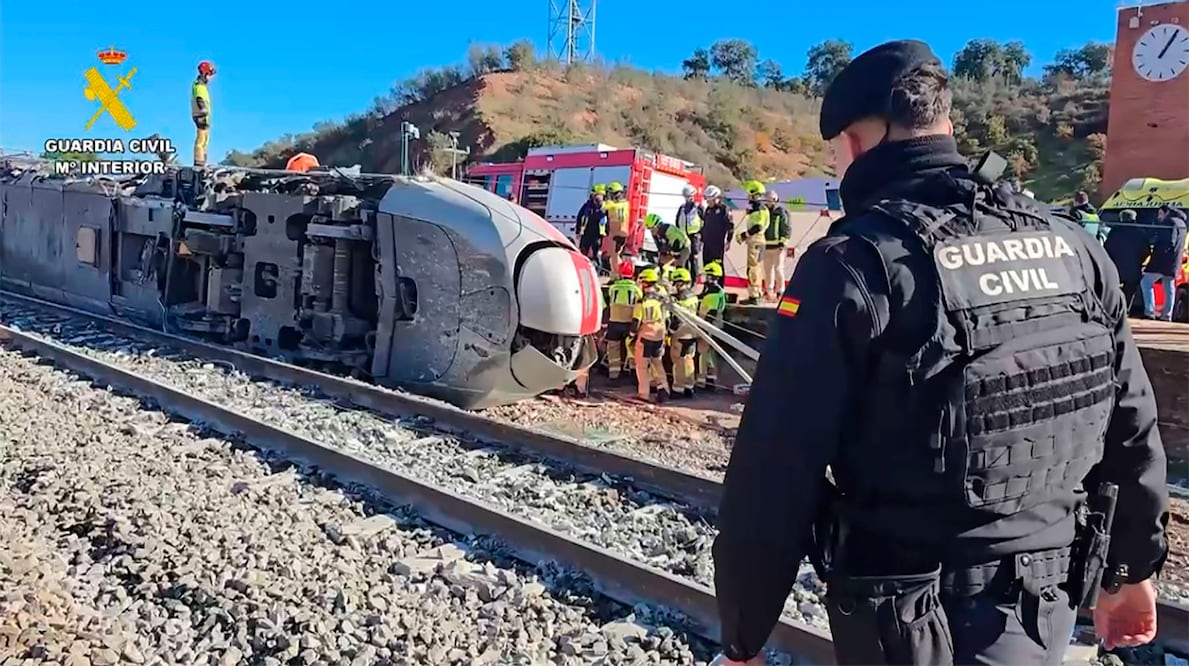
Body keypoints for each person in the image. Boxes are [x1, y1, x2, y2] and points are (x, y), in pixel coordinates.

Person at [712, 40, 1169, 666]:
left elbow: (774, 471)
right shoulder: (1073, 248)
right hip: (1049, 603)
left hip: (909, 618)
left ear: (856, 141)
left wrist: (742, 634)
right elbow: (1132, 424)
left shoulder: (852, 264)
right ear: (942, 123)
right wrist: (1129, 570)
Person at [1141, 204, 1188, 321]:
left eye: (1160, 213)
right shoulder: (1182, 224)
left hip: (1162, 262)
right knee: (1169, 288)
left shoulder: (1169, 222)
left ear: (1166, 212)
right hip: (1174, 262)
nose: (1158, 216)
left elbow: (1167, 242)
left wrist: (1153, 259)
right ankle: (1167, 315)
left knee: (1145, 282)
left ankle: (1149, 312)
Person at [631, 267, 670, 403]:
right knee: (657, 363)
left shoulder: (642, 302)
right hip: (659, 335)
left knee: (642, 366)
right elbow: (668, 319)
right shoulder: (662, 301)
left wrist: (631, 335)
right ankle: (664, 390)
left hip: (645, 336)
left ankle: (643, 394)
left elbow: (636, 322)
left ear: (645, 283)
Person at [1103, 209, 1152, 315]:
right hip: (1134, 268)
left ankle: (1112, 310)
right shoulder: (1141, 232)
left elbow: (1106, 248)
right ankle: (1125, 311)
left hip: (1116, 267)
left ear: (1122, 218)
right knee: (1129, 291)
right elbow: (1147, 250)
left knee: (1113, 289)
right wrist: (1139, 260)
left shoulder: (1115, 231)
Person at [734, 181, 770, 305]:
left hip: (756, 241)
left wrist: (744, 235)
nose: (747, 197)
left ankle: (754, 296)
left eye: (749, 194)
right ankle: (756, 294)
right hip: (757, 241)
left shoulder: (759, 209)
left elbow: (758, 227)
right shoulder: (758, 209)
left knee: (753, 269)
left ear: (754, 194)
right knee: (756, 268)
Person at [605, 260, 642, 381]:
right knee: (631, 348)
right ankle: (633, 374)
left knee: (613, 348)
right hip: (628, 323)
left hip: (614, 322)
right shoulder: (636, 290)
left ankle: (613, 374)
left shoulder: (613, 288)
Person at [667, 267, 699, 398]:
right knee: (688, 360)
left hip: (680, 334)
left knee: (678, 362)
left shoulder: (680, 300)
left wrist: (670, 331)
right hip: (692, 333)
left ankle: (677, 389)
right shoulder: (694, 297)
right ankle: (689, 387)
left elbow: (677, 319)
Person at [696, 261, 728, 389]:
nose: (705, 279)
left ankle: (701, 380)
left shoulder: (714, 293)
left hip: (709, 326)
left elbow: (712, 312)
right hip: (715, 325)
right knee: (709, 353)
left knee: (702, 353)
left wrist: (704, 327)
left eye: (707, 276)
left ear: (711, 276)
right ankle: (711, 378)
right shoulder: (715, 291)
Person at [760, 190, 791, 301]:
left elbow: (786, 227)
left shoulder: (781, 212)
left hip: (778, 246)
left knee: (778, 269)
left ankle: (781, 291)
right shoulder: (763, 211)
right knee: (767, 270)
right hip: (766, 245)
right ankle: (769, 291)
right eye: (766, 199)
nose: (768, 202)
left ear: (775, 199)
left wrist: (783, 241)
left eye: (770, 199)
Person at [675, 185, 706, 276]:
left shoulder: (698, 208)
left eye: (690, 196)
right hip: (684, 237)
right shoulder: (682, 208)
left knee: (693, 258)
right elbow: (677, 221)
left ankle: (694, 280)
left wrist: (700, 234)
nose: (688, 198)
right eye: (686, 196)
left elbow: (705, 221)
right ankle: (686, 277)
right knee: (685, 258)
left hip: (695, 236)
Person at [701, 185, 733, 269]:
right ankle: (708, 281)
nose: (708, 202)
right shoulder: (708, 210)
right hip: (707, 243)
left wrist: (728, 241)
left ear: (716, 198)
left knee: (717, 266)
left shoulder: (724, 209)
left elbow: (730, 226)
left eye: (709, 200)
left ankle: (719, 282)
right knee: (707, 265)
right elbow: (705, 225)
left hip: (717, 244)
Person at [191, 61, 216, 168]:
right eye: (210, 75)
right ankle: (199, 162)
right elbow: (199, 97)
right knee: (201, 139)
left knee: (205, 139)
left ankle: (203, 161)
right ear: (204, 73)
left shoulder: (203, 86)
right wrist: (203, 109)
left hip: (205, 116)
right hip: (200, 115)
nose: (211, 78)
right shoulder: (199, 85)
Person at [577, 184, 608, 268]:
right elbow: (580, 216)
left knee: (596, 254)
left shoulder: (605, 207)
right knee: (583, 252)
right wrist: (578, 230)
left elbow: (608, 220)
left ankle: (597, 270)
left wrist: (607, 231)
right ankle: (582, 267)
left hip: (598, 234)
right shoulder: (588, 205)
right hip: (587, 232)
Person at [603, 182, 631, 267]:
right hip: (623, 232)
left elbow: (603, 207)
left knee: (614, 256)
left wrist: (606, 198)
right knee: (616, 255)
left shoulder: (612, 206)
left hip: (616, 233)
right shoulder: (626, 204)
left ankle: (617, 274)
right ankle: (619, 272)